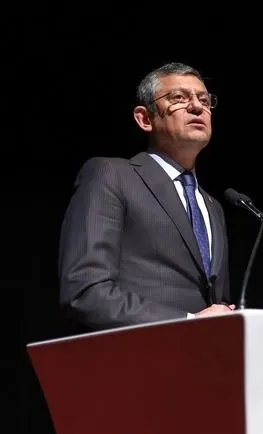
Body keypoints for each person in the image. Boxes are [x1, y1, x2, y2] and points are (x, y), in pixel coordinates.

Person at [58, 62, 235, 332]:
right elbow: (85, 291)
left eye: (204, 100)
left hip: (202, 355)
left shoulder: (213, 207)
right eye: (179, 98)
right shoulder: (111, 175)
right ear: (145, 119)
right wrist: (189, 322)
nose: (197, 107)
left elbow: (215, 304)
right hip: (135, 352)